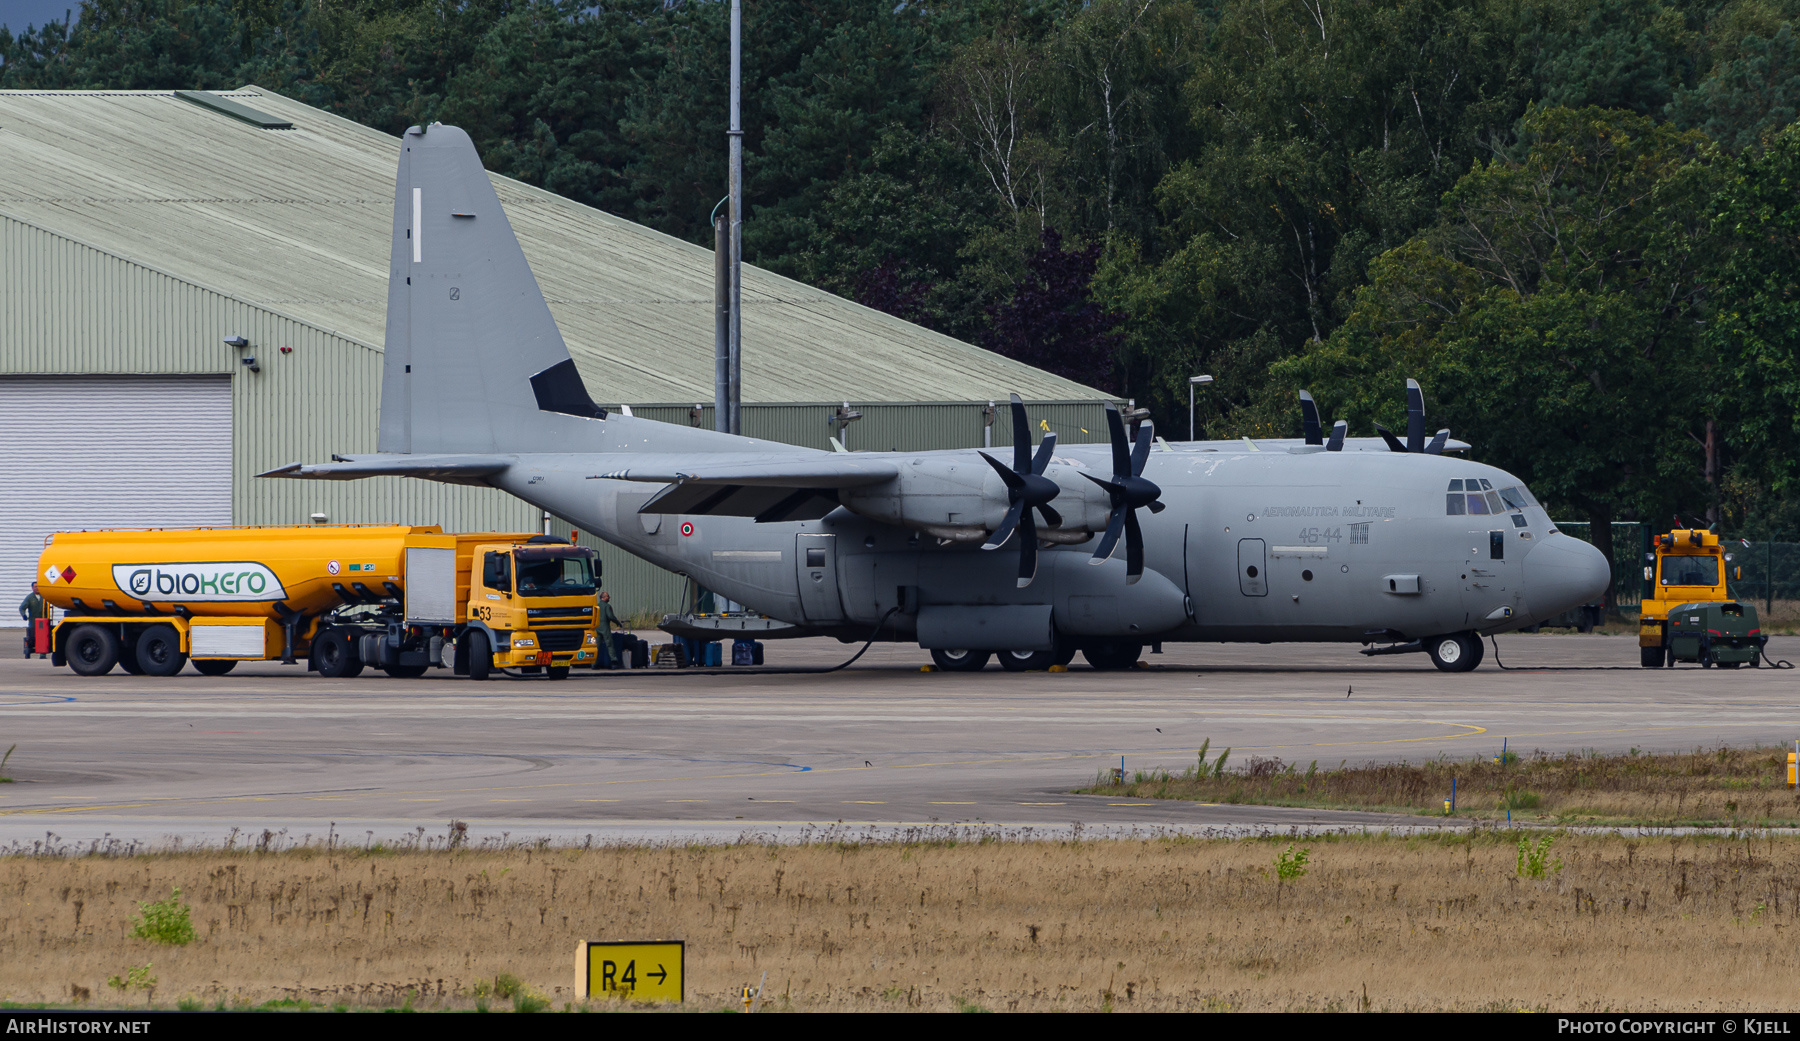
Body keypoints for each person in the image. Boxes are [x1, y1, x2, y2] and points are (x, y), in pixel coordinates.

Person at [595, 590, 624, 669]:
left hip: (597, 628)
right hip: (605, 627)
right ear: (603, 597)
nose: (609, 597)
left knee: (597, 646)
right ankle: (614, 662)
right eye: (608, 596)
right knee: (609, 644)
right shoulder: (607, 606)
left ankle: (594, 664)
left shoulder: (596, 605)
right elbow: (610, 616)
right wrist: (618, 623)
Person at [18, 583, 48, 659]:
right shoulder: (30, 598)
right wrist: (24, 615)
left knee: (43, 637)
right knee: (31, 638)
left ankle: (42, 654)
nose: (37, 588)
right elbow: (22, 608)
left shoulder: (44, 597)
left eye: (38, 586)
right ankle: (28, 651)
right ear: (32, 588)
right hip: (33, 622)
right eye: (35, 587)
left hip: (43, 622)